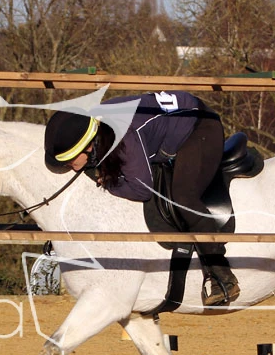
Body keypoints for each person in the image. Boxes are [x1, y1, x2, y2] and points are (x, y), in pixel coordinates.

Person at [43, 91, 240, 307]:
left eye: (71, 161)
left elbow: (142, 190)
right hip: (173, 120)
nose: (71, 167)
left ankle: (223, 275)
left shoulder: (124, 136)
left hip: (200, 127)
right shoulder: (99, 130)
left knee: (183, 196)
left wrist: (109, 183)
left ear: (89, 146)